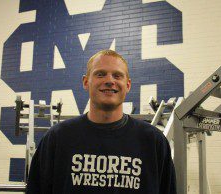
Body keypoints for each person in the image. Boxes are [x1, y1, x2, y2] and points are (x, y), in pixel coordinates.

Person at [26, 50, 177, 194]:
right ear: (86, 82)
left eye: (117, 76)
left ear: (128, 85)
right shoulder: (56, 138)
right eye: (100, 74)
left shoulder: (154, 141)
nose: (110, 81)